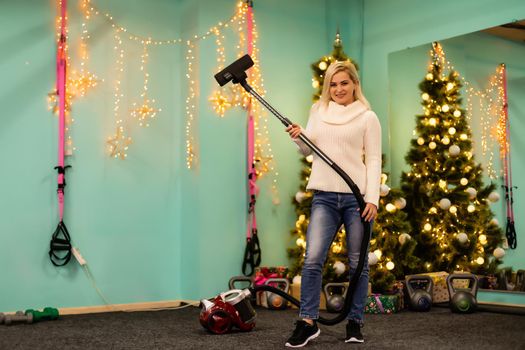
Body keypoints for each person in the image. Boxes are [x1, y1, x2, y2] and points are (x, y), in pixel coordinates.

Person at [284, 60, 381, 348]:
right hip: (324, 196)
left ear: (354, 85)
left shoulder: (367, 117)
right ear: (328, 87)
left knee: (357, 264)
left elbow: (374, 159)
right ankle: (307, 321)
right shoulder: (319, 111)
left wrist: (373, 198)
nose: (339, 89)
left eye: (344, 83)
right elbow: (308, 149)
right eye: (333, 84)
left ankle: (354, 322)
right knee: (312, 259)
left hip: (357, 199)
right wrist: (298, 137)